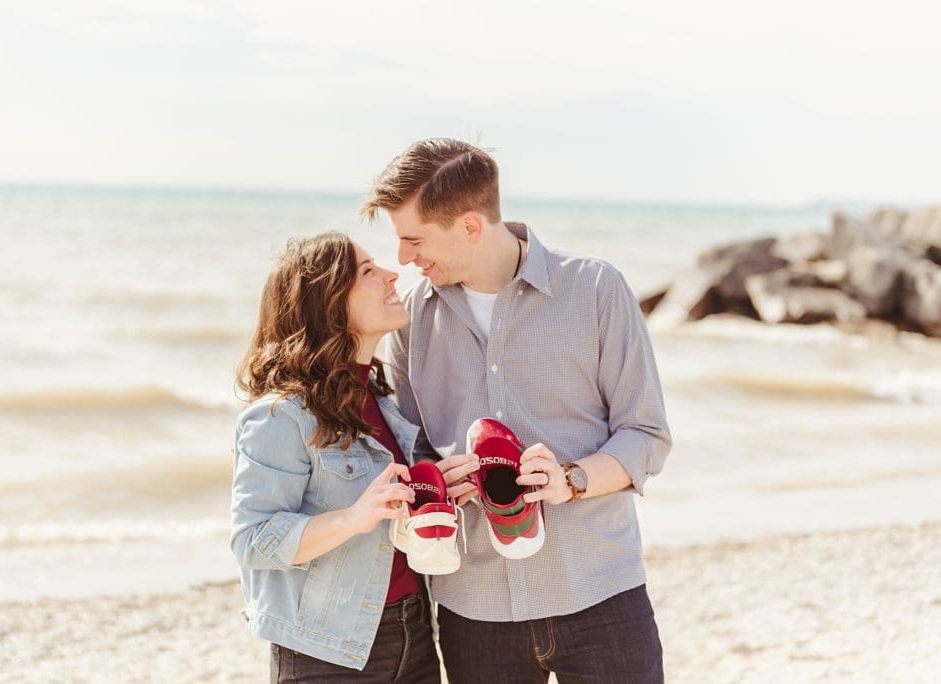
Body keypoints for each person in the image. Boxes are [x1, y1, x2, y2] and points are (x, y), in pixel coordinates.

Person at [362, 139, 673, 683]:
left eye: (414, 240)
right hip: (475, 610)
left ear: (470, 225)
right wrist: (435, 478)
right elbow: (414, 451)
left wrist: (570, 480)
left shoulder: (597, 290)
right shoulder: (410, 317)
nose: (404, 259)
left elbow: (645, 434)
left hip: (599, 591)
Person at [230, 231, 440, 683]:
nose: (391, 273)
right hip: (330, 654)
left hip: (415, 632)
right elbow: (252, 540)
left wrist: (437, 486)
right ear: (327, 305)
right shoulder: (281, 415)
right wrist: (355, 516)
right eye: (368, 271)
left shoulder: (384, 401)